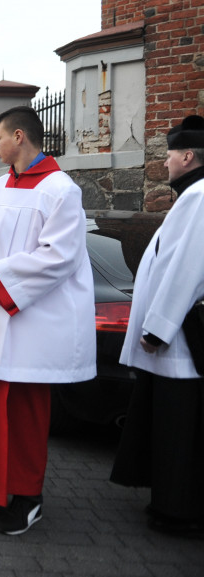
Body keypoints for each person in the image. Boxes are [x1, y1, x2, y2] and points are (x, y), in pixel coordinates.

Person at [0, 105, 95, 535]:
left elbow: (59, 257)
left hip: (27, 322)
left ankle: (27, 497)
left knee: (24, 413)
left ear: (19, 137)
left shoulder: (60, 190)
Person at [111, 113, 204, 535]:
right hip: (175, 339)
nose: (163, 163)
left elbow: (185, 268)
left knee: (180, 430)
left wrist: (157, 328)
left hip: (180, 340)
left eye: (168, 155)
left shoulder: (199, 196)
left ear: (188, 155)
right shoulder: (192, 195)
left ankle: (178, 509)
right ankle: (168, 502)